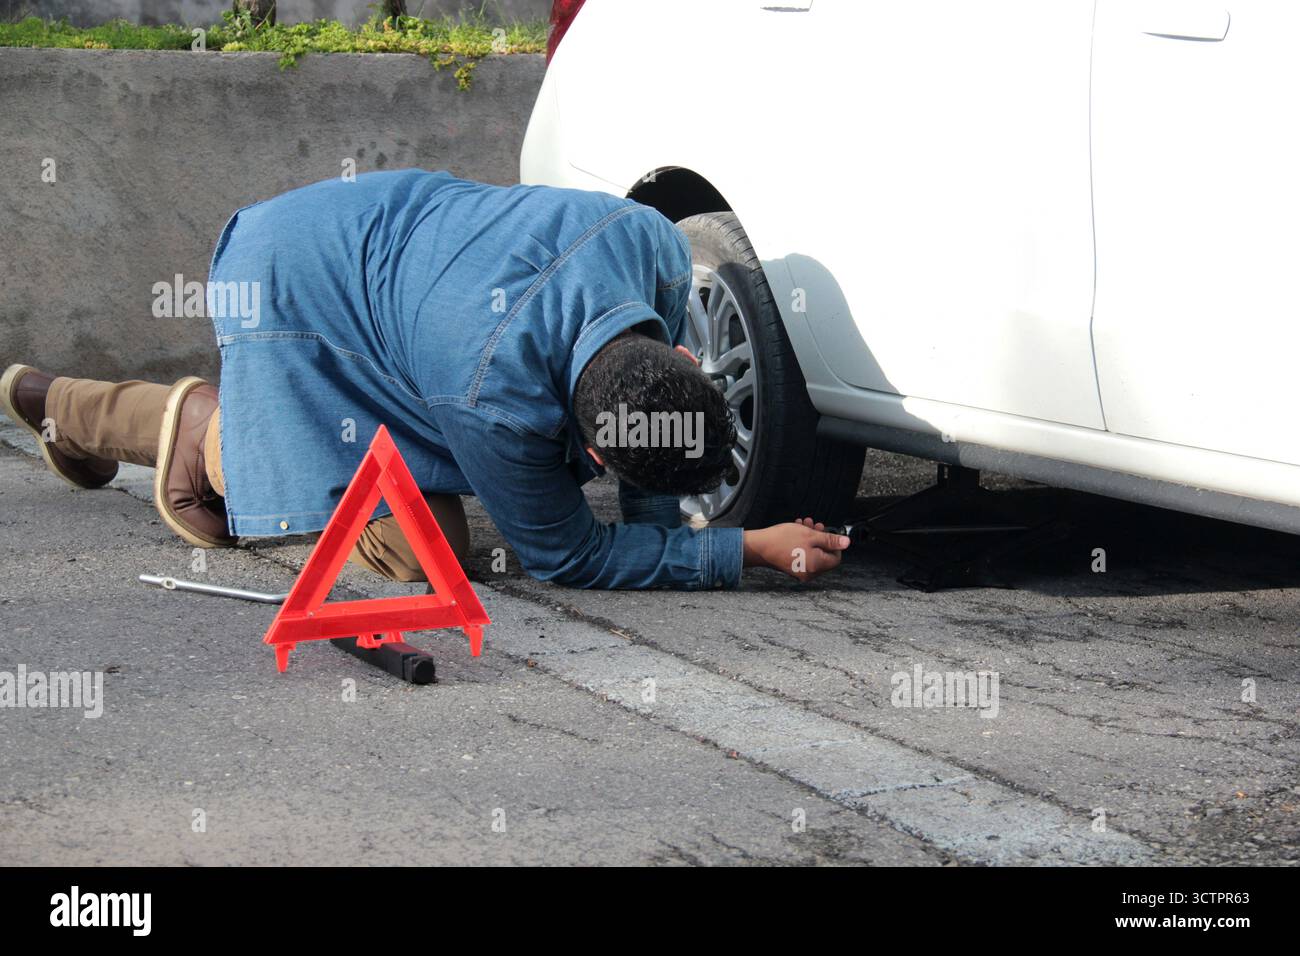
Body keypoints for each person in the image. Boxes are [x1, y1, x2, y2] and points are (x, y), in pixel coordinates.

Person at [1, 170, 849, 589]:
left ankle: (55, 407)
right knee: (431, 549)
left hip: (387, 258)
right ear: (594, 441)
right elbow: (567, 557)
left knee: (427, 528)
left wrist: (674, 513)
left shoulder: (651, 244)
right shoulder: (496, 404)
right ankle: (206, 438)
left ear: (684, 357)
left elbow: (633, 468)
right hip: (292, 281)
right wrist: (742, 549)